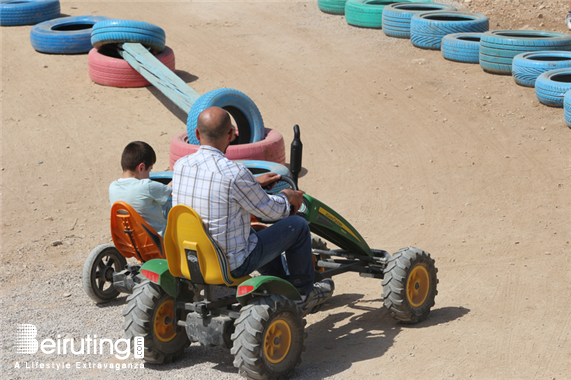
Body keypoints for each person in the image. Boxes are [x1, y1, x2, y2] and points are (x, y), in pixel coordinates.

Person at [172, 107, 334, 315]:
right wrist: (288, 197)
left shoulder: (181, 166)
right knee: (298, 225)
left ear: (196, 134)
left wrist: (252, 183)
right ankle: (304, 294)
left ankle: (281, 282)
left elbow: (214, 189)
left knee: (255, 233)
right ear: (231, 134)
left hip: (192, 259)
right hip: (232, 265)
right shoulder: (235, 173)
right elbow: (271, 212)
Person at [109, 141, 172, 237]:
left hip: (130, 240)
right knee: (167, 204)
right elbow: (173, 191)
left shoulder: (112, 186)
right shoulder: (146, 186)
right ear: (141, 167)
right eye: (150, 169)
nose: (149, 174)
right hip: (157, 242)